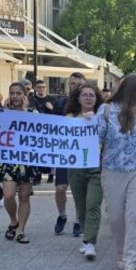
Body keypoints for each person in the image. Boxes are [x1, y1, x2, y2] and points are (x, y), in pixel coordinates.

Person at [98, 73, 136, 270]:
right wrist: (84, 123)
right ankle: (121, 252)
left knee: (135, 215)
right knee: (115, 217)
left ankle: (131, 262)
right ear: (131, 90)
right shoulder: (107, 111)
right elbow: (95, 137)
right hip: (113, 170)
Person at [0, 82, 41, 244]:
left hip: (27, 160)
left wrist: (23, 111)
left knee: (24, 196)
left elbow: (39, 133)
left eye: (18, 93)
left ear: (24, 94)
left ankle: (21, 230)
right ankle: (13, 220)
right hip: (7, 160)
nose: (15, 96)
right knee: (8, 195)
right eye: (12, 93)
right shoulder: (1, 113)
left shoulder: (32, 112)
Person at [65, 83, 104, 261]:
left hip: (97, 168)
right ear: (78, 98)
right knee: (81, 206)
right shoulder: (70, 118)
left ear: (97, 99)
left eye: (92, 95)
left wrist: (94, 120)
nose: (88, 97)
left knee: (92, 204)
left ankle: (90, 242)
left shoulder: (102, 118)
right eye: (85, 95)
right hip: (76, 167)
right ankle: (86, 237)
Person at [51, 72, 86, 237]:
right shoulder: (61, 103)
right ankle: (62, 215)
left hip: (83, 153)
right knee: (60, 188)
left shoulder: (91, 103)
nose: (76, 87)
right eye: (73, 83)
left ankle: (79, 220)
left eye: (79, 84)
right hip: (65, 151)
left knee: (80, 190)